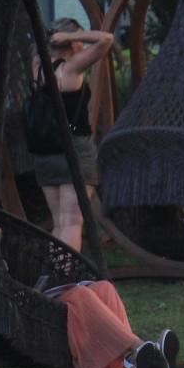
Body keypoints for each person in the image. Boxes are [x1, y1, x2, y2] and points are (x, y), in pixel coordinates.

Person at [0, 214, 178, 368]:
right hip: (27, 326)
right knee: (79, 296)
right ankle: (138, 349)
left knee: (102, 288)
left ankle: (129, 363)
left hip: (30, 309)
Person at [28, 17, 115, 253]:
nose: (82, 44)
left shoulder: (38, 66)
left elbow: (37, 47)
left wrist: (60, 39)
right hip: (73, 151)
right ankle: (67, 280)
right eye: (79, 39)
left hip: (44, 155)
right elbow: (107, 39)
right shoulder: (71, 68)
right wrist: (73, 36)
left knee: (59, 223)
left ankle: (55, 278)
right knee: (72, 223)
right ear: (69, 43)